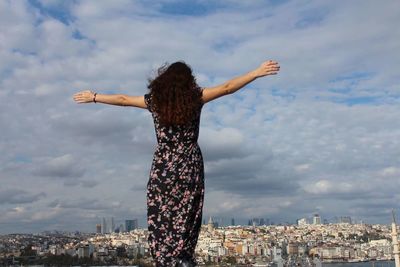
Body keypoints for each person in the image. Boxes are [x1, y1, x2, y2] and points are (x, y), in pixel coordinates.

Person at [72, 60, 280, 267]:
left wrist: (95, 97)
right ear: (189, 81)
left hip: (163, 165)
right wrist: (256, 72)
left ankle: (165, 259)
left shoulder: (154, 101)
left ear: (164, 81)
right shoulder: (196, 97)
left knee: (162, 213)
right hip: (189, 163)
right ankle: (183, 258)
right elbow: (227, 88)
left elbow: (123, 99)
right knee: (189, 211)